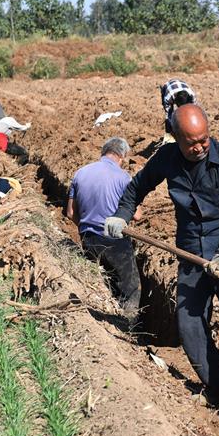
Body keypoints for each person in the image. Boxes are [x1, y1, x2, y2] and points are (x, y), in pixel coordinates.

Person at [105, 104, 219, 429]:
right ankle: (216, 387)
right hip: (191, 250)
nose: (200, 146)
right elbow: (136, 188)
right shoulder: (167, 158)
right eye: (192, 142)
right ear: (176, 137)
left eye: (204, 139)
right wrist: (122, 213)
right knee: (189, 323)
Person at [67, 137, 142, 322]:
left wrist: (86, 228)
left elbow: (70, 213)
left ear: (104, 152)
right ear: (121, 156)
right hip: (115, 241)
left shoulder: (80, 173)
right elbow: (137, 215)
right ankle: (127, 328)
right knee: (130, 287)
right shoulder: (123, 177)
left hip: (88, 238)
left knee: (102, 282)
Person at [160, 78, 197, 144]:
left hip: (180, 85)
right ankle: (169, 135)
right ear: (176, 101)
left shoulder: (192, 96)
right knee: (169, 116)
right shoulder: (169, 97)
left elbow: (194, 112)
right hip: (168, 87)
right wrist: (173, 128)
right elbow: (168, 115)